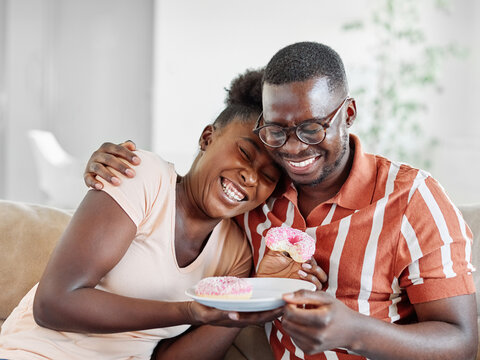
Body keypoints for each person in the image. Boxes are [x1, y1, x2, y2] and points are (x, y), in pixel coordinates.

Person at [85, 41, 477, 360]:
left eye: (311, 127)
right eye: (276, 130)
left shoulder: (412, 199)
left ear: (349, 113)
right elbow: (188, 197)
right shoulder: (257, 200)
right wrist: (113, 165)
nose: (293, 148)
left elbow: (460, 342)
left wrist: (357, 332)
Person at [0, 69, 324, 360]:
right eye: (244, 153)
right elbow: (54, 304)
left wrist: (252, 298)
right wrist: (191, 312)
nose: (251, 177)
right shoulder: (142, 176)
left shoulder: (235, 251)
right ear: (207, 137)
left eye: (269, 176)